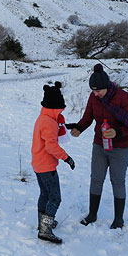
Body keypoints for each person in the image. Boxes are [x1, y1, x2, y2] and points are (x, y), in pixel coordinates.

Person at [68, 63, 128, 229]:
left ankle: (118, 219)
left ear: (107, 87)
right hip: (99, 144)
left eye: (98, 91)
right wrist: (79, 128)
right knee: (96, 179)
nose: (95, 94)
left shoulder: (124, 97)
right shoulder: (94, 97)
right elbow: (87, 118)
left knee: (117, 181)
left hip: (121, 147)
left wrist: (117, 133)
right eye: (93, 91)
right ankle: (92, 215)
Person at [31, 81, 76, 244]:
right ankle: (45, 230)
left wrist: (71, 125)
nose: (62, 110)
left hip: (38, 164)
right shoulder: (49, 122)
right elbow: (51, 146)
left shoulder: (44, 117)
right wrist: (67, 158)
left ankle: (42, 223)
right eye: (60, 108)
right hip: (46, 166)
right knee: (55, 198)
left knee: (45, 194)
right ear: (55, 107)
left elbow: (54, 130)